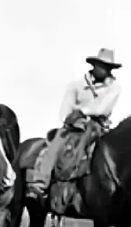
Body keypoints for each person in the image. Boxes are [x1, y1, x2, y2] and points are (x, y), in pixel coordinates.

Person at [28, 49, 123, 201]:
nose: (104, 70)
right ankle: (40, 183)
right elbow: (65, 108)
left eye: (107, 68)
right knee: (57, 143)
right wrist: (72, 118)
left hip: (98, 126)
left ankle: (118, 190)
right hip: (74, 125)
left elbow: (102, 108)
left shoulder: (114, 87)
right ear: (94, 65)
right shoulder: (75, 86)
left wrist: (82, 111)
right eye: (101, 66)